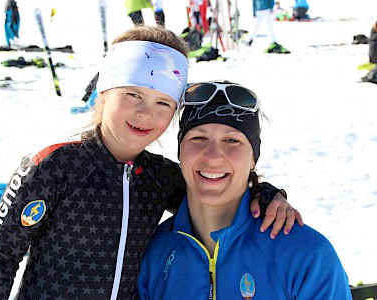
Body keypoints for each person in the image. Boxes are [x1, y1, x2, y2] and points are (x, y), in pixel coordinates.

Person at [0, 26, 299, 299]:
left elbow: (217, 195)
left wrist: (266, 194)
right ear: (105, 90)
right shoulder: (54, 167)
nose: (146, 113)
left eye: (163, 102)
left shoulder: (160, 177)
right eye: (133, 95)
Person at [137, 80, 352, 299]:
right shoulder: (155, 252)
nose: (212, 156)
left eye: (232, 140)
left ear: (253, 158)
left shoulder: (307, 255)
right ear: (180, 153)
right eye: (198, 138)